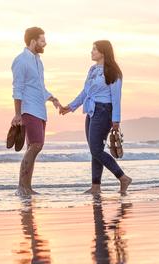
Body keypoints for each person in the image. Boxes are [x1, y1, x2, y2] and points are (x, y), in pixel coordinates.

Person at [60, 40, 132, 194]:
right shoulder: (92, 70)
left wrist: (116, 120)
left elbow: (116, 97)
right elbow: (85, 92)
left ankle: (123, 178)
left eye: (94, 49)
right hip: (92, 111)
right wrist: (71, 106)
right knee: (95, 150)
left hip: (104, 111)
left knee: (96, 150)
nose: (91, 52)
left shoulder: (113, 72)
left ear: (103, 52)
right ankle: (95, 187)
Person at [11, 27, 61, 196]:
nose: (44, 43)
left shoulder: (38, 61)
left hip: (40, 109)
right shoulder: (21, 61)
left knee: (33, 147)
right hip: (29, 109)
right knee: (35, 145)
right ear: (33, 41)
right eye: (42, 40)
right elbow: (17, 89)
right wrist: (17, 114)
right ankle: (21, 187)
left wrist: (52, 98)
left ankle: (27, 188)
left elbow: (39, 86)